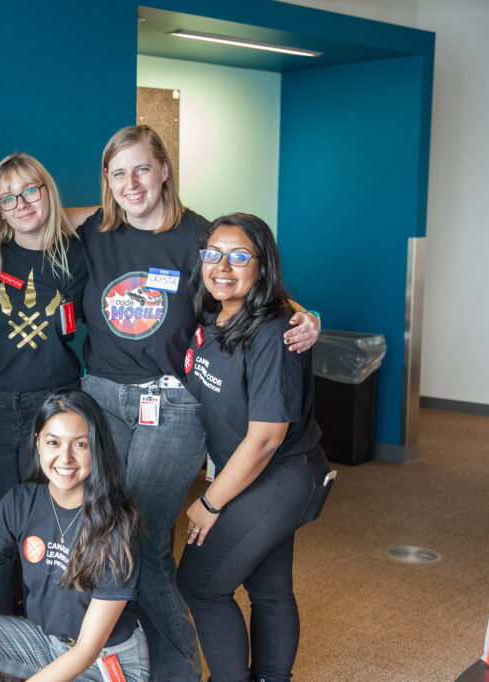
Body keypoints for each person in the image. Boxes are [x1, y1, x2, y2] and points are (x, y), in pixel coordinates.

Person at [78, 125, 319, 680]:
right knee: (114, 531)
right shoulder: (95, 228)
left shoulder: (200, 236)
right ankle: (136, 659)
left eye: (143, 168)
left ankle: (176, 666)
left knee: (144, 537)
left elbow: (255, 280)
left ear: (165, 169)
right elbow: (44, 213)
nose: (132, 183)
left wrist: (310, 316)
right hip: (106, 397)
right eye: (119, 173)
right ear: (107, 183)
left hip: (174, 405)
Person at [177, 213, 332, 682]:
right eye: (213, 254)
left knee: (200, 584)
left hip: (280, 475)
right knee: (269, 588)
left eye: (239, 256)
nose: (223, 266)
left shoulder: (276, 332)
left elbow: (266, 437)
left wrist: (208, 503)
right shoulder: (214, 312)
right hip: (245, 472)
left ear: (262, 266)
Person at [0, 387, 148, 681]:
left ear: (97, 447)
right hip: (45, 642)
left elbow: (87, 650)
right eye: (53, 442)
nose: (65, 458)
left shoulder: (117, 522)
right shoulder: (21, 502)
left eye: (80, 444)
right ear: (38, 443)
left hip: (105, 661)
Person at [0, 152, 86, 615]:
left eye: (31, 190)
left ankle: (56, 641)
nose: (21, 203)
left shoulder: (77, 250)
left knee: (60, 531)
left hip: (58, 408)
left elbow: (119, 213)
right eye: (7, 196)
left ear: (47, 192)